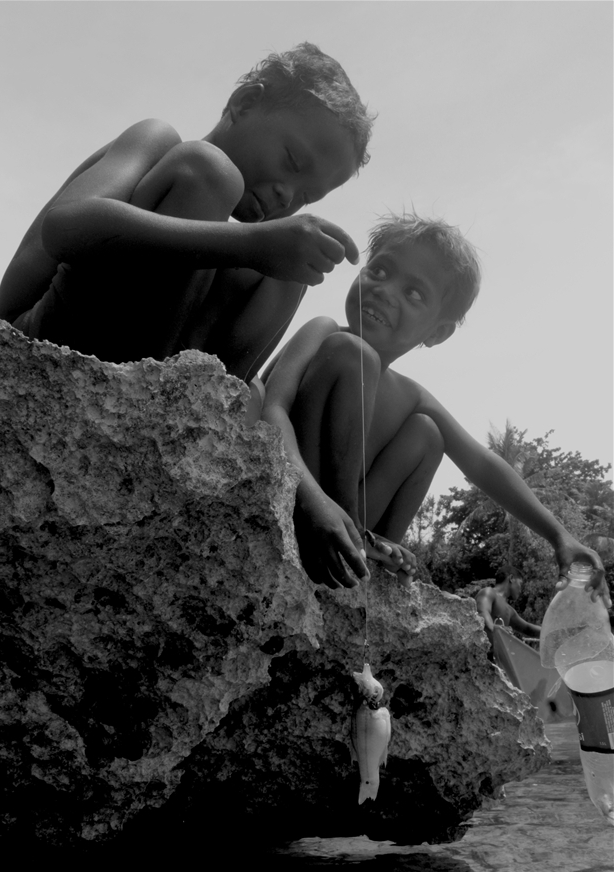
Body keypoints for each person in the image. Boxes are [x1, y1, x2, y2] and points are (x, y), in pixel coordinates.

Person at [260, 213, 611, 607]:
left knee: (427, 432)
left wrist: (560, 536)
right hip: (291, 499)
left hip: (347, 541)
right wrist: (314, 500)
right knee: (353, 355)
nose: (384, 290)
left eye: (414, 293)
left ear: (437, 332)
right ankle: (352, 533)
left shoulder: (410, 395)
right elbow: (272, 410)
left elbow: (482, 465)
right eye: (379, 270)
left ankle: (377, 553)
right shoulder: (325, 333)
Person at [0, 43, 373, 389]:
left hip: (139, 385)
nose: (286, 195)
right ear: (244, 102)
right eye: (292, 161)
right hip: (35, 344)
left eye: (307, 196)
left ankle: (183, 412)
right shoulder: (158, 144)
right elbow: (62, 229)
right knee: (210, 173)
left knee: (288, 272)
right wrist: (251, 244)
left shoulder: (240, 259)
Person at [475, 566, 540, 644]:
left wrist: (550, 632)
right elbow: (482, 613)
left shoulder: (509, 611)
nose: (520, 590)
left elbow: (527, 628)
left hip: (496, 655)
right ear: (511, 578)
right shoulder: (488, 592)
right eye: (520, 584)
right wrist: (499, 632)